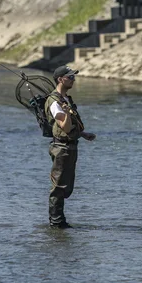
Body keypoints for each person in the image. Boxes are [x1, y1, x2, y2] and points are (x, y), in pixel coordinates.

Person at [44, 65, 97, 228]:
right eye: (70, 77)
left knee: (67, 187)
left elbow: (69, 127)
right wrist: (66, 113)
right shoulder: (54, 102)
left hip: (70, 146)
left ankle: (60, 222)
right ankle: (57, 223)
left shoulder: (66, 99)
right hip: (61, 149)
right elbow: (64, 127)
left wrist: (82, 133)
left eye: (74, 77)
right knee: (59, 187)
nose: (73, 80)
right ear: (60, 80)